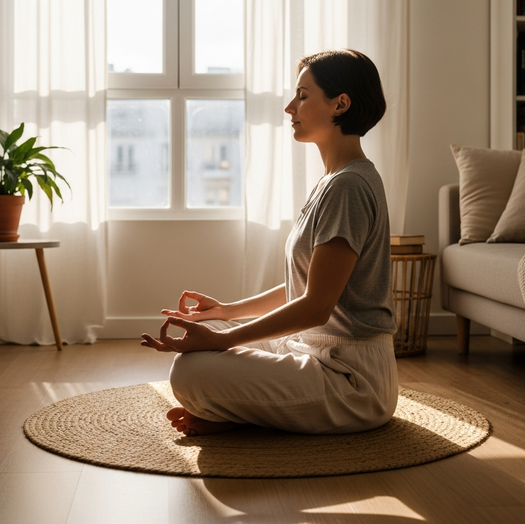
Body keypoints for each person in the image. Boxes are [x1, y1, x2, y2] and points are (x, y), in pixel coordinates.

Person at [141, 49, 398, 437]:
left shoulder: (348, 186)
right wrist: (227, 312)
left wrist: (225, 337)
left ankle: (234, 415)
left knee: (191, 370)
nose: (289, 107)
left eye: (303, 95)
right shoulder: (335, 181)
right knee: (204, 357)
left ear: (340, 104)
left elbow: (315, 306)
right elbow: (309, 285)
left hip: (352, 379)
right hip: (315, 351)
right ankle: (238, 412)